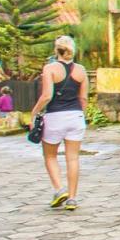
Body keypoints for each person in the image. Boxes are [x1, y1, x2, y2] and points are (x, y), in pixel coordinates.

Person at [31, 35, 88, 211]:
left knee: (50, 156)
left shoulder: (50, 68)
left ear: (56, 50)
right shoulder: (81, 70)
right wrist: (82, 116)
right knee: (73, 158)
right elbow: (84, 98)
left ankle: (59, 189)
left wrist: (34, 113)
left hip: (55, 116)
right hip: (76, 117)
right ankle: (72, 198)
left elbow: (47, 95)